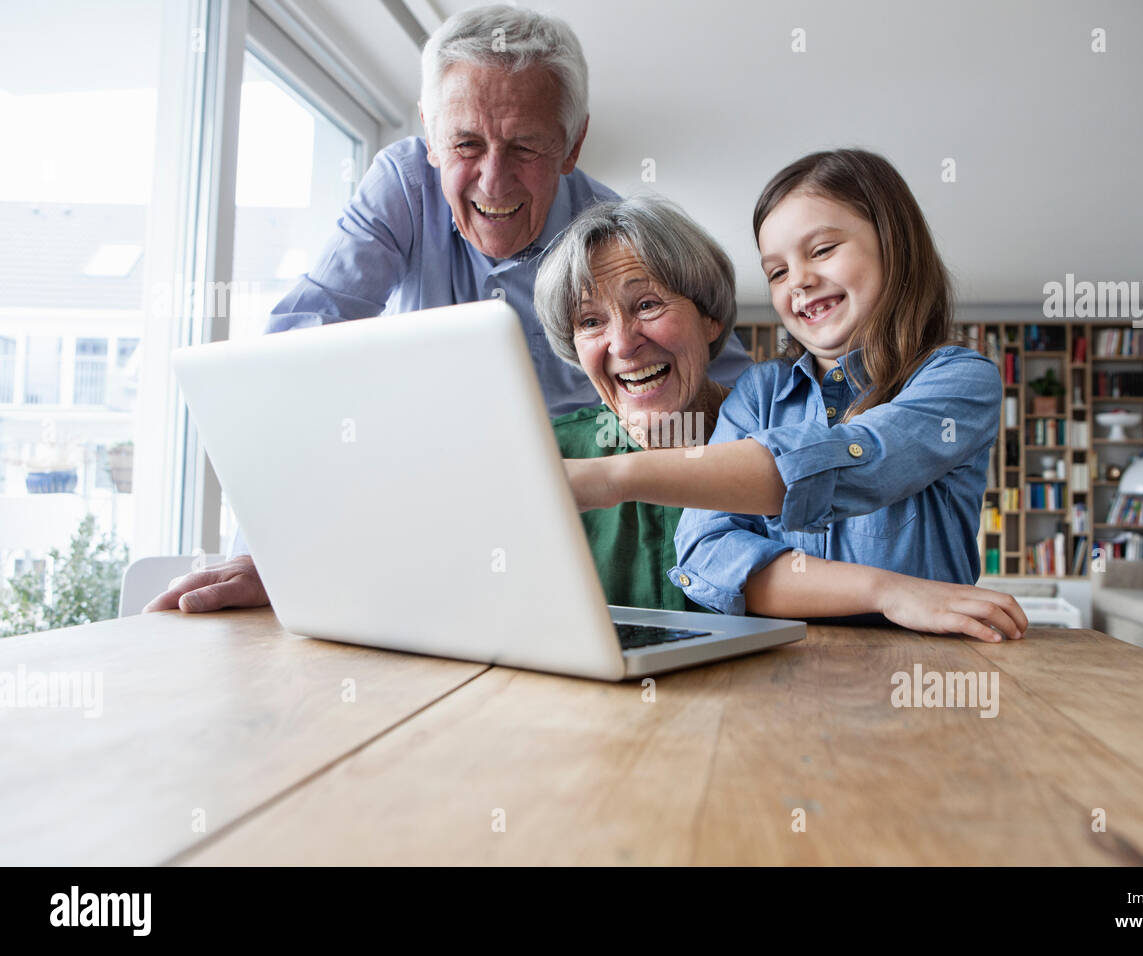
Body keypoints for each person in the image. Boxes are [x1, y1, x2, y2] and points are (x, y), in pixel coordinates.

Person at [145, 4, 750, 615]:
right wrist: (283, 554)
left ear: (572, 145)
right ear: (430, 135)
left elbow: (731, 393)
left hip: (581, 515)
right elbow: (292, 361)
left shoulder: (612, 237)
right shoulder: (405, 183)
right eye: (465, 144)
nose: (493, 181)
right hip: (429, 509)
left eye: (525, 147)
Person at [564, 149, 1028, 642]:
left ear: (894, 245)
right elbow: (705, 551)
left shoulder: (957, 379)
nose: (799, 281)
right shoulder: (759, 392)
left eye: (823, 249)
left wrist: (612, 477)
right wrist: (885, 591)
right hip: (781, 683)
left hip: (920, 676)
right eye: (777, 271)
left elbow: (857, 462)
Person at [538, 197, 736, 610]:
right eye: (591, 321)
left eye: (647, 305)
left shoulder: (775, 437)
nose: (624, 345)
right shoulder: (546, 456)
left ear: (710, 317)